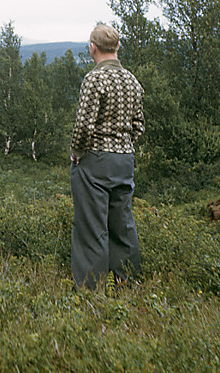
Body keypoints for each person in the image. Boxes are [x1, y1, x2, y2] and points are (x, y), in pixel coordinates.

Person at [70, 24, 144, 288]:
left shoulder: (94, 80)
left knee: (91, 227)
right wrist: (123, 145)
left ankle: (91, 289)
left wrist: (77, 151)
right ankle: (128, 283)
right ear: (118, 46)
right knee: (123, 224)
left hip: (95, 161)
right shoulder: (132, 81)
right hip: (124, 160)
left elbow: (84, 125)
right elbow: (138, 125)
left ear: (92, 47)